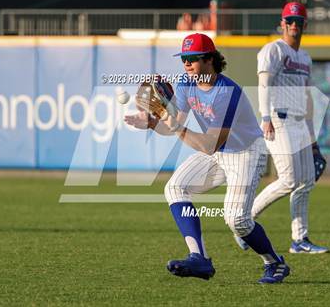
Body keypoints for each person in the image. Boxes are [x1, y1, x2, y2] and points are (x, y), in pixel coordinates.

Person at [124, 33, 290, 283]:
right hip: (220, 151)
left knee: (238, 220)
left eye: (192, 58)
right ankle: (199, 258)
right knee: (175, 187)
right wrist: (152, 123)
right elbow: (174, 126)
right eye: (184, 59)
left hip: (245, 152)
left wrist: (171, 123)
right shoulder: (186, 83)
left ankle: (274, 263)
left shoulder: (226, 92)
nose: (187, 64)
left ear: (210, 59)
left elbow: (209, 145)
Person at [234, 2, 329, 254]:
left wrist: (312, 136)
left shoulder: (305, 56)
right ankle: (243, 221)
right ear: (283, 22)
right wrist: (265, 117)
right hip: (279, 120)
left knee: (306, 182)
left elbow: (306, 96)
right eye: (290, 20)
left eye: (298, 20)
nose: (294, 25)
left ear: (305, 25)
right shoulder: (273, 49)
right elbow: (263, 84)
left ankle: (300, 240)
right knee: (288, 180)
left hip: (300, 123)